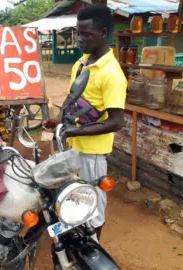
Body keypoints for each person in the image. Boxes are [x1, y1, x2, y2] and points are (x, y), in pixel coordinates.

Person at [44, 4, 127, 240]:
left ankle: (93, 249)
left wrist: (74, 131)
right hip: (74, 150)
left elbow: (117, 121)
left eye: (86, 34)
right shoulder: (80, 64)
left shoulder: (112, 74)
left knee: (94, 210)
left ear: (103, 32)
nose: (80, 39)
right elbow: (72, 101)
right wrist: (58, 121)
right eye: (78, 33)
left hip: (93, 155)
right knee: (75, 199)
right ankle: (76, 245)